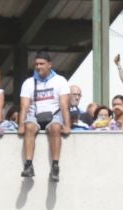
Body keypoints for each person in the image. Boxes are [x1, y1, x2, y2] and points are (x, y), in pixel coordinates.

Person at [18, 51, 71, 182]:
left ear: (50, 65)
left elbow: (64, 105)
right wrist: (20, 125)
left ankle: (55, 166)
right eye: (36, 64)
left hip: (54, 115)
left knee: (55, 128)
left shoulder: (60, 81)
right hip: (34, 115)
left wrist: (67, 125)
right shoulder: (29, 82)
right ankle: (28, 165)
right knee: (29, 127)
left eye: (41, 64)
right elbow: (24, 106)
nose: (38, 67)